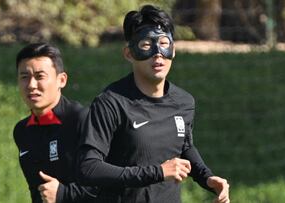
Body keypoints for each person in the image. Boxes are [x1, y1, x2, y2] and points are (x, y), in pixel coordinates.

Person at [76, 5, 230, 203]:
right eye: (147, 45)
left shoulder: (184, 102)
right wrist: (157, 172)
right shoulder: (110, 103)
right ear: (129, 53)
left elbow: (184, 146)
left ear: (173, 50)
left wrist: (207, 178)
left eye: (164, 43)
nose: (158, 53)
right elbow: (88, 167)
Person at [13, 43, 96, 203]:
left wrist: (64, 193)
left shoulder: (82, 120)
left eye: (40, 76)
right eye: (24, 77)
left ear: (61, 80)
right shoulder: (22, 131)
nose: (31, 85)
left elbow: (112, 185)